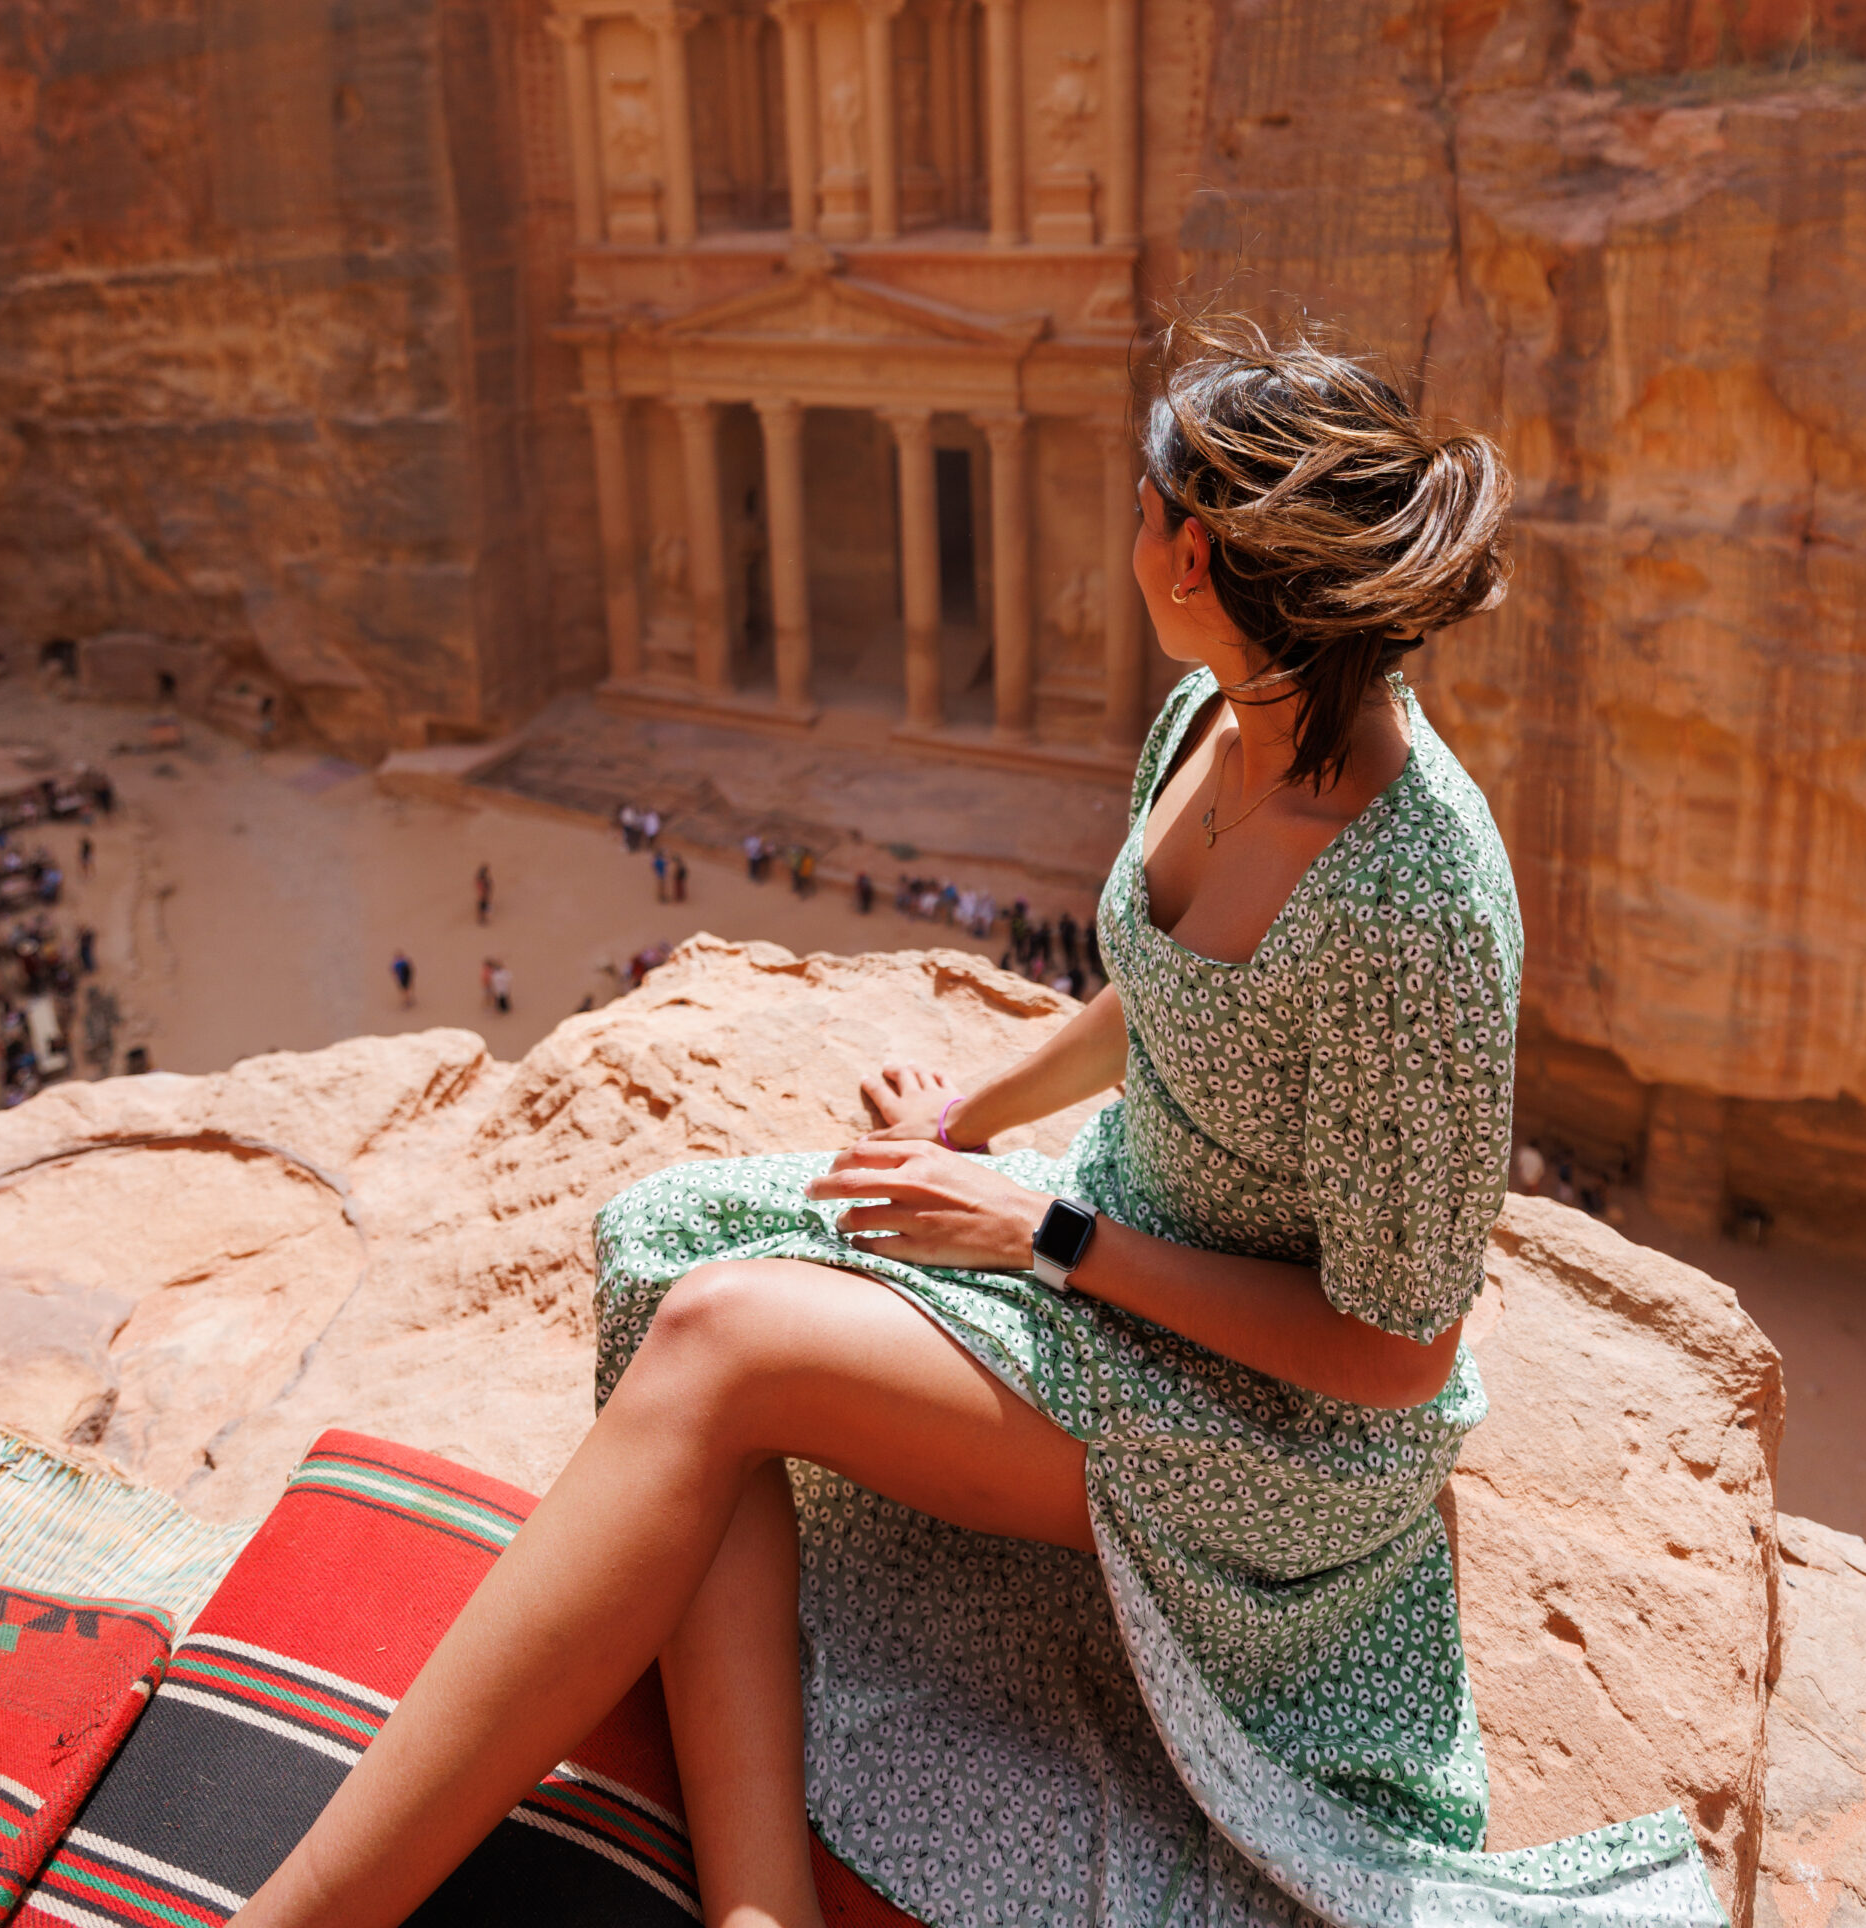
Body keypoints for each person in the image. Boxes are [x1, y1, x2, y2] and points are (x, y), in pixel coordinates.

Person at [231, 319, 1725, 1928]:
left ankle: (309, 1914)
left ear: (1195, 555)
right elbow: (1172, 994)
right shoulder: (1222, 717)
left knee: (728, 1340)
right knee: (669, 1245)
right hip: (1107, 1245)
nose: (1127, 527)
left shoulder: (1415, 901)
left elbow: (1397, 1354)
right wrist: (970, 1114)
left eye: (1144, 504)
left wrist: (1042, 1233)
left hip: (1264, 1429)